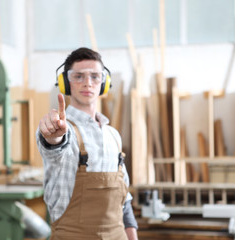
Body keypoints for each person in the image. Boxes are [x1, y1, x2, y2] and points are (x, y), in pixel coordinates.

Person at [36, 47, 138, 240]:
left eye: (95, 76)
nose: (88, 83)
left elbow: (124, 199)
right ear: (66, 82)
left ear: (104, 83)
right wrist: (53, 137)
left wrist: (132, 235)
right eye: (79, 76)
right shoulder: (63, 130)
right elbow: (54, 148)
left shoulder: (113, 135)